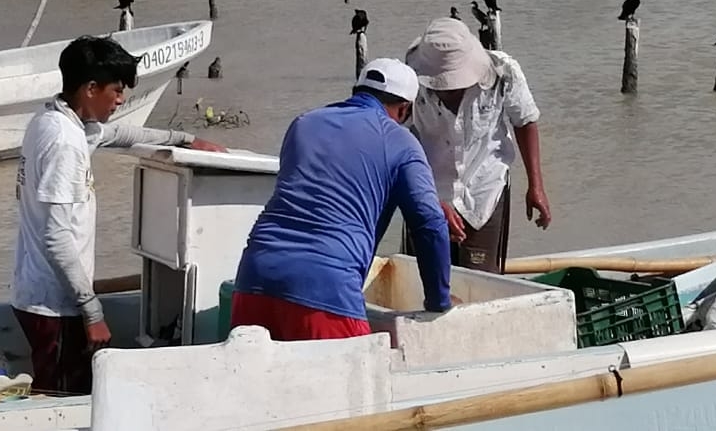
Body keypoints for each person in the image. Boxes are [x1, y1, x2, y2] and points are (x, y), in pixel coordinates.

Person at [11, 35, 226, 396]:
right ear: (91, 88)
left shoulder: (53, 119)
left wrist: (185, 140)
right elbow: (56, 238)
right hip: (55, 305)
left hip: (38, 292)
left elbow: (118, 134)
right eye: (117, 89)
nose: (122, 98)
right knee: (61, 400)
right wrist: (92, 312)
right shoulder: (64, 143)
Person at [231, 58, 453, 341]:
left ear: (356, 91)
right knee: (351, 383)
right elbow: (428, 223)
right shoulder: (400, 140)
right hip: (326, 289)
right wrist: (438, 302)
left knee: (258, 384)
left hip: (254, 277)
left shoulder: (304, 123)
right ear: (405, 109)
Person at [401, 17, 552, 274]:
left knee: (481, 281)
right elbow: (391, 138)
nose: (449, 89)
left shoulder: (503, 73)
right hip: (430, 193)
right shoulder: (407, 83)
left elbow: (525, 122)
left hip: (485, 191)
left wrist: (536, 186)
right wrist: (422, 199)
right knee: (423, 280)